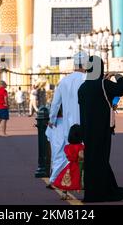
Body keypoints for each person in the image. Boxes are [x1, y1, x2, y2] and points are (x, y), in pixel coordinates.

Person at [78, 56, 123, 203]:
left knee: (93, 160)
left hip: (87, 130)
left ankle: (106, 190)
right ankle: (101, 193)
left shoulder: (82, 87)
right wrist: (117, 76)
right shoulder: (103, 84)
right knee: (100, 160)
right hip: (102, 129)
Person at [46, 52, 86, 189]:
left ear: (74, 64)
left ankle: (57, 179)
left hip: (68, 124)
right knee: (84, 152)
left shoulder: (64, 81)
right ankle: (82, 180)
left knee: (66, 153)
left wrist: (51, 119)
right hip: (84, 121)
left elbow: (55, 103)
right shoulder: (87, 79)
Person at [52, 124, 85, 200]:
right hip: (78, 165)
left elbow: (67, 155)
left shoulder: (68, 146)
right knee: (80, 178)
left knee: (66, 178)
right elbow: (81, 156)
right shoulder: (80, 146)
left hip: (70, 165)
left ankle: (64, 193)